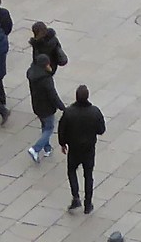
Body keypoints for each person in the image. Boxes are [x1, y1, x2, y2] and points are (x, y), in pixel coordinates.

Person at [59, 83, 106, 213]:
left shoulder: (69, 112)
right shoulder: (94, 112)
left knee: (71, 171)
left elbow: (62, 129)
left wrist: (62, 143)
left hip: (74, 149)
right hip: (89, 149)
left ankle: (75, 197)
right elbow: (101, 130)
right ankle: (88, 204)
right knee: (88, 175)